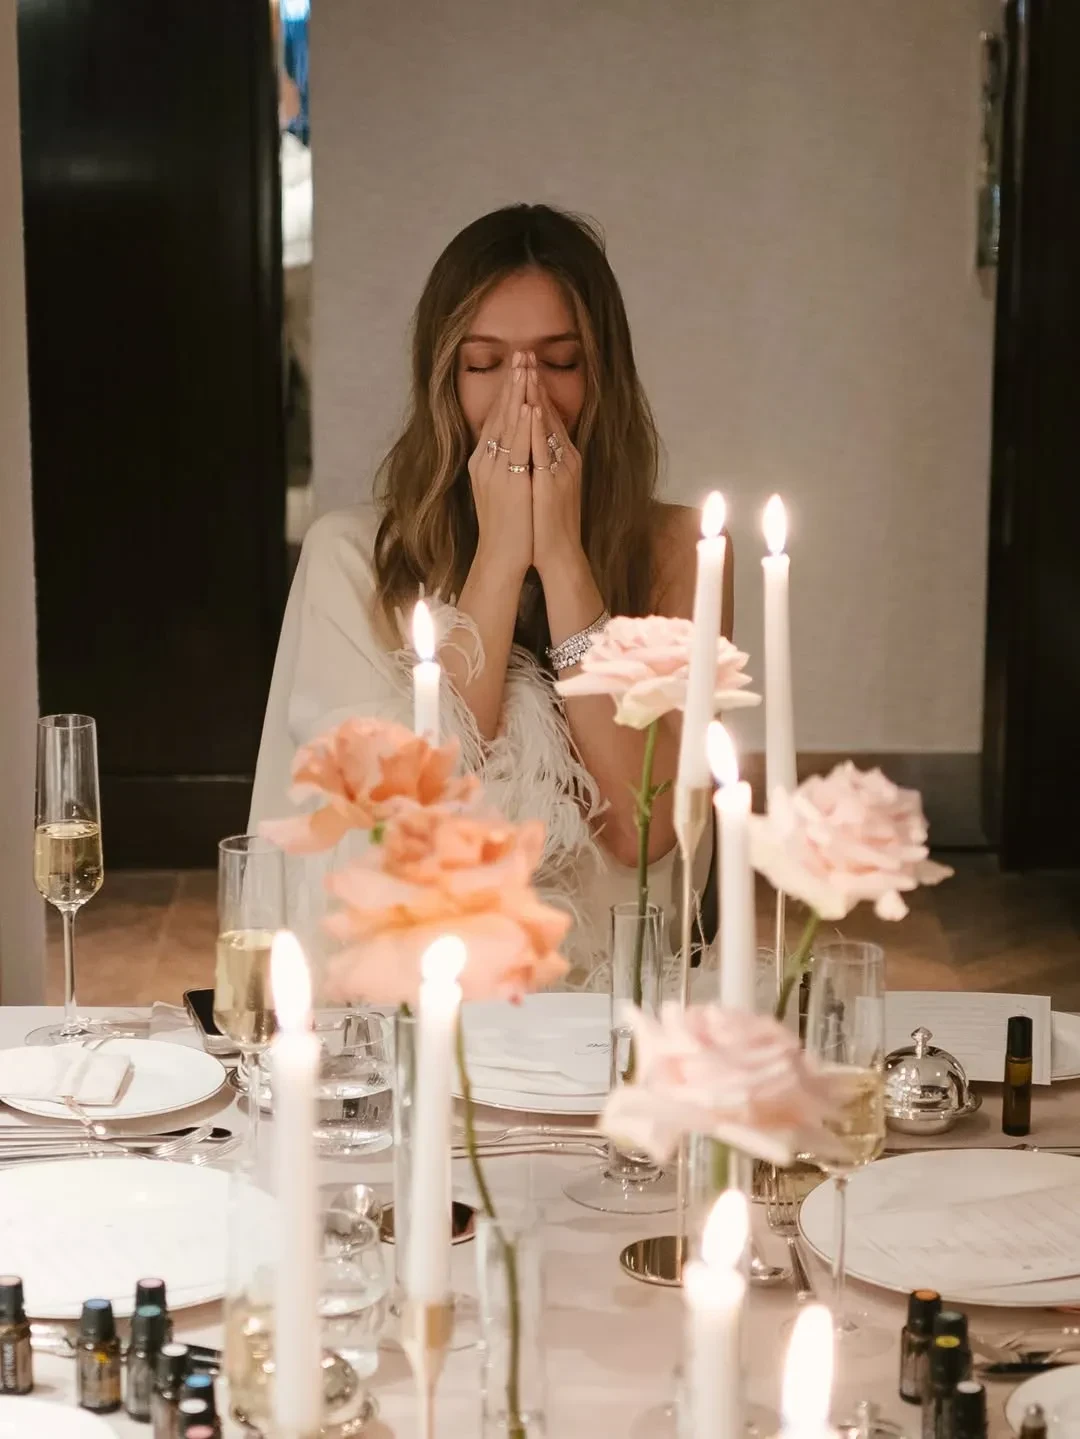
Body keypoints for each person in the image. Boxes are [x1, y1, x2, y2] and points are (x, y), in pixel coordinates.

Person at [250, 204, 733, 986]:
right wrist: (502, 559)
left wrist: (565, 561)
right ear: (445, 381)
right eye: (485, 364)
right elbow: (409, 820)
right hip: (426, 992)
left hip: (614, 998)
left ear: (603, 375)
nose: (525, 397)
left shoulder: (681, 551)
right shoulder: (352, 557)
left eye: (560, 361)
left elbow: (641, 834)